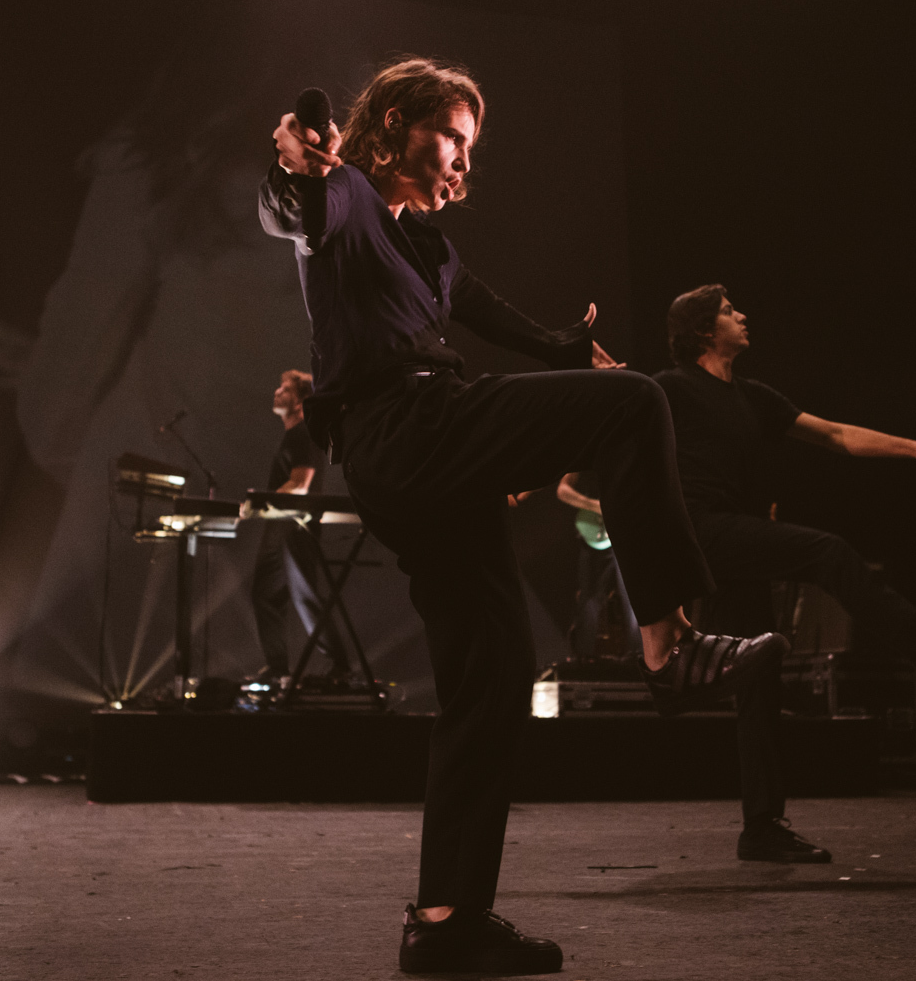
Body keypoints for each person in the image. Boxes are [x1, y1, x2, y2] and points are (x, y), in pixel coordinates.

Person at [261, 58, 785, 975]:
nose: (465, 160)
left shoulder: (433, 251)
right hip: (404, 426)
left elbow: (499, 319)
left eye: (471, 145)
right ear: (393, 123)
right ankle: (668, 645)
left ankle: (445, 918)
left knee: (493, 675)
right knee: (636, 401)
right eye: (450, 136)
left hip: (428, 463)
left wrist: (564, 344)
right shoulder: (344, 196)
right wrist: (294, 167)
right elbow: (293, 209)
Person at [653, 285, 916, 863]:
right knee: (828, 552)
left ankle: (761, 827)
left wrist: (915, 449)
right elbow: (615, 425)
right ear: (702, 331)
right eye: (729, 311)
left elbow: (835, 435)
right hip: (705, 534)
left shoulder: (752, 396)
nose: (742, 315)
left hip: (734, 539)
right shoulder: (671, 388)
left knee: (758, 676)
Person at [247, 369, 350, 684]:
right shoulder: (296, 434)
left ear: (301, 400)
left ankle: (340, 667)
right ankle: (278, 668)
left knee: (306, 597)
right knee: (267, 594)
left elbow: (300, 484)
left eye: (285, 389)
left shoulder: (303, 433)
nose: (277, 392)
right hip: (284, 525)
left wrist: (261, 502)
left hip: (293, 526)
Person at [556, 472, 642, 658]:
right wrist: (597, 506)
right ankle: (582, 661)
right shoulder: (585, 459)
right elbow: (562, 491)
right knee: (589, 601)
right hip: (596, 535)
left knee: (634, 600)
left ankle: (641, 660)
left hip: (627, 532)